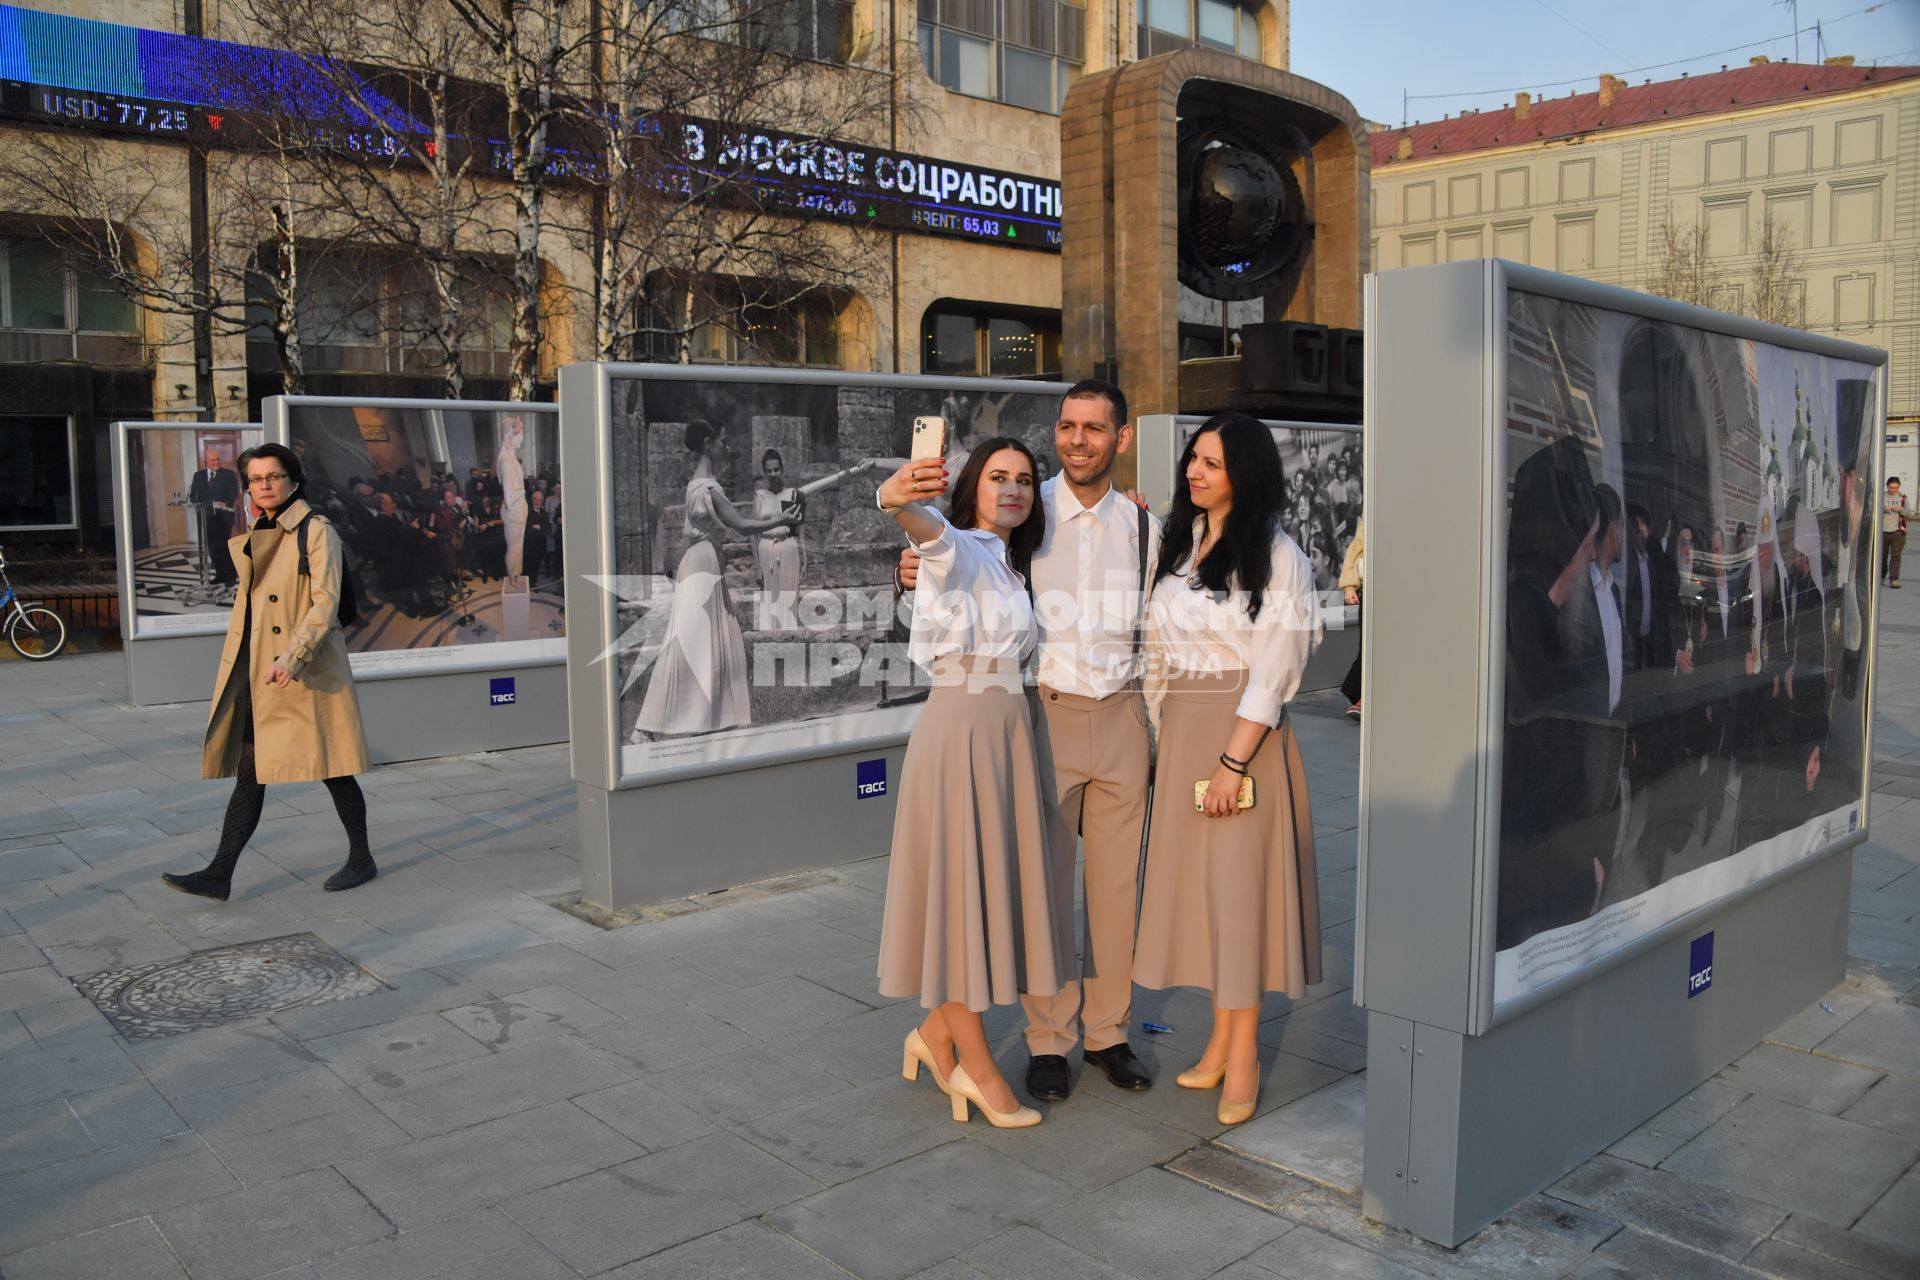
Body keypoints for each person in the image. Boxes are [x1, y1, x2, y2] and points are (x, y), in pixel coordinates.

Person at [896, 378, 1162, 1103]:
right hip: (1043, 716)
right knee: (1043, 887)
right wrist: (907, 572)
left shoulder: (1145, 527)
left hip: (1123, 716)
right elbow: (952, 566)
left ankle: (1109, 1033)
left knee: (1115, 891)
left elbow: (1160, 624)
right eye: (1068, 426)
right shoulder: (1020, 507)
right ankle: (1049, 1041)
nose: (1077, 438)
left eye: (1094, 428)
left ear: (1121, 439)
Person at [877, 436, 1074, 1129]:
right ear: (971, 486)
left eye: (1024, 479)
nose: (1014, 489)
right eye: (998, 477)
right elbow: (925, 533)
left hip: (1004, 732)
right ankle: (976, 1069)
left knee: (980, 895)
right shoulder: (957, 546)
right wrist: (897, 499)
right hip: (963, 731)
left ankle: (934, 1036)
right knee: (963, 900)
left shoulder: (1009, 561)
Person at [1134, 413, 1323, 1127]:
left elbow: (1275, 669)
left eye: (1211, 462)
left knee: (1239, 899)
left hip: (1242, 738)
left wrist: (1229, 760)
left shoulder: (1279, 557)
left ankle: (1243, 1056)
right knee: (1204, 897)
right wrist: (1163, 733)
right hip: (1184, 725)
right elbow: (1155, 647)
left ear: (1246, 471)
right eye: (1194, 459)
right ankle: (1217, 1041)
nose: (1195, 472)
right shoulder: (1179, 545)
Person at [162, 444, 375, 900]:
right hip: (266, 672)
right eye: (256, 480)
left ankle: (361, 859)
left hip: (306, 670)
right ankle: (219, 873)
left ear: (292, 479)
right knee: (252, 769)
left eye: (273, 477)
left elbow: (326, 603)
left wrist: (292, 657)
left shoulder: (316, 531)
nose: (264, 486)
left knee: (334, 768)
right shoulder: (261, 529)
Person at [632, 421, 794, 737]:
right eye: (722, 441)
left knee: (713, 635)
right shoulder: (708, 488)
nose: (726, 447)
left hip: (699, 560)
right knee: (688, 640)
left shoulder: (695, 484)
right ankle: (649, 725)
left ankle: (713, 716)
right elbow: (742, 526)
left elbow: (687, 535)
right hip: (702, 563)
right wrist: (781, 519)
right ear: (708, 443)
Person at [752, 449, 802, 602]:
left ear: (782, 470)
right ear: (765, 473)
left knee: (789, 602)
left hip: (788, 550)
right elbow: (753, 533)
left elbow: (800, 530)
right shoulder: (759, 496)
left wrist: (804, 560)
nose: (773, 474)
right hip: (767, 551)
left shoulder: (792, 494)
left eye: (776, 469)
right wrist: (757, 565)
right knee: (770, 604)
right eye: (769, 471)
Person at [188, 449, 240, 587]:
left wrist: (224, 503)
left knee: (224, 547)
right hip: (206, 518)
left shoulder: (228, 474)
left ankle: (231, 576)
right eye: (213, 460)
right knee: (212, 548)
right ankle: (220, 574)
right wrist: (209, 503)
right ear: (206, 462)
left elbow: (233, 493)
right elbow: (193, 496)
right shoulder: (198, 476)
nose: (216, 462)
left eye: (218, 459)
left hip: (223, 518)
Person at [1339, 516, 1365, 721]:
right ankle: (1362, 698)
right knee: (1368, 647)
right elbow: (1354, 552)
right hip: (1373, 591)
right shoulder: (1372, 517)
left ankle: (1363, 697)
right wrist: (1349, 586)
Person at [498, 418, 529, 581]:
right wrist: (522, 492)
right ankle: (512, 576)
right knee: (513, 548)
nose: (522, 439)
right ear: (511, 436)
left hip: (519, 513)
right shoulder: (507, 462)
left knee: (518, 548)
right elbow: (509, 499)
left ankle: (516, 575)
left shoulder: (512, 459)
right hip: (514, 513)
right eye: (521, 435)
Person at [1883, 478, 1907, 588]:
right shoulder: (1881, 496)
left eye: (1896, 488)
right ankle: (1880, 577)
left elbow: (1909, 513)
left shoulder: (1903, 498)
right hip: (1882, 531)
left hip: (1898, 532)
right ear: (1887, 486)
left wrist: (1900, 509)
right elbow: (1871, 508)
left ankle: (1894, 579)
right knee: (1880, 556)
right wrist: (1883, 508)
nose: (1893, 490)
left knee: (1896, 556)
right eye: (1891, 487)